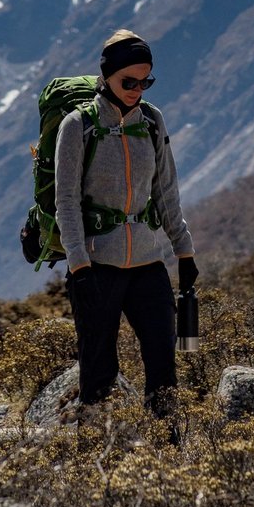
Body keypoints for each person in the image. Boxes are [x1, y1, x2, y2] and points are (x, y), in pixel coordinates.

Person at [55, 29, 198, 425]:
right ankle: (94, 455)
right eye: (128, 81)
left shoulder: (152, 121)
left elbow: (166, 191)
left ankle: (166, 450)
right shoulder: (77, 125)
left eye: (145, 81)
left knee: (163, 364)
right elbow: (64, 200)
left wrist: (184, 253)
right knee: (98, 369)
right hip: (96, 267)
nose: (138, 89)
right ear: (107, 77)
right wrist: (79, 265)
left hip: (149, 263)